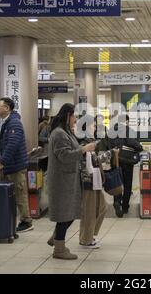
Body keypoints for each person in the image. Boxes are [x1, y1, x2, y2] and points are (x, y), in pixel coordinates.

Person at [47, 103, 95, 260]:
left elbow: (69, 150)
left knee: (70, 212)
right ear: (67, 115)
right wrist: (83, 149)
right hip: (62, 181)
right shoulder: (59, 133)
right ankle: (59, 249)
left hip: (68, 179)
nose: (75, 119)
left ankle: (56, 238)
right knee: (65, 215)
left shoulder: (65, 132)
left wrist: (82, 147)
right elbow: (65, 156)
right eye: (74, 116)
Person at [0, 98, 33, 233]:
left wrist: (2, 162)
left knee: (20, 195)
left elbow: (12, 145)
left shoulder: (14, 123)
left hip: (14, 166)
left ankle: (26, 221)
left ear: (7, 108)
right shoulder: (4, 123)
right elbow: (0, 142)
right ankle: (6, 219)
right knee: (6, 195)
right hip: (5, 166)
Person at [77, 116, 108, 249]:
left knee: (102, 207)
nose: (95, 128)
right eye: (92, 126)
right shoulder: (83, 143)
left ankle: (90, 235)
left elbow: (94, 160)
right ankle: (86, 239)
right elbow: (84, 163)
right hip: (88, 181)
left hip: (95, 180)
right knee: (89, 211)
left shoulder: (90, 141)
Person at [104, 114, 143, 217]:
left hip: (115, 160)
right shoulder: (128, 130)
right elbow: (132, 142)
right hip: (127, 161)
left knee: (117, 182)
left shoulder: (110, 131)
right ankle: (125, 206)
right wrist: (140, 147)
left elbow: (106, 145)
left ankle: (117, 202)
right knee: (127, 183)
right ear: (126, 121)